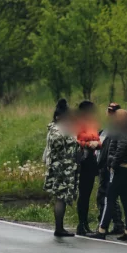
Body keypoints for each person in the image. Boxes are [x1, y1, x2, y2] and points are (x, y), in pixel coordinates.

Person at [90, 109, 127, 241]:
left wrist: (112, 164)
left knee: (110, 198)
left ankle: (102, 229)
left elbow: (120, 149)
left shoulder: (121, 131)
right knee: (126, 200)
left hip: (122, 168)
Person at [43, 99, 81, 237]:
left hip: (66, 168)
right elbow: (57, 144)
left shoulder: (60, 128)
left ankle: (60, 227)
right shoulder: (58, 129)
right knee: (60, 197)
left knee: (63, 197)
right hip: (61, 169)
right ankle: (59, 228)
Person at [94, 103, 124, 234]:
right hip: (102, 165)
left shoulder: (117, 129)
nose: (109, 114)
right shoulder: (106, 129)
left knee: (105, 196)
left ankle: (106, 225)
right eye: (109, 111)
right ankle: (116, 224)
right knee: (107, 196)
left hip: (109, 166)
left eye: (112, 112)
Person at [74, 101, 101, 236]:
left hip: (91, 160)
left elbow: (99, 140)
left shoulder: (92, 125)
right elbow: (76, 140)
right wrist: (87, 143)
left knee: (87, 193)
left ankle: (85, 223)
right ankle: (81, 223)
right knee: (83, 194)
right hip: (82, 161)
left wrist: (97, 143)